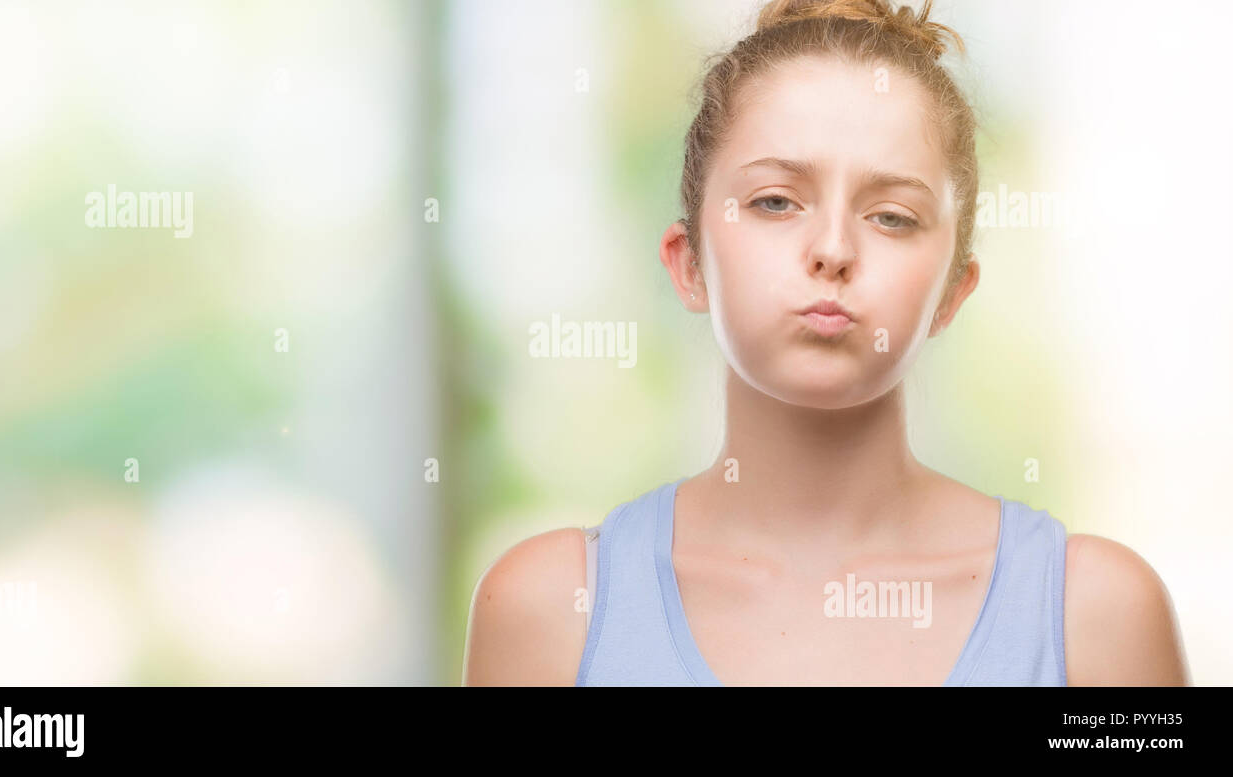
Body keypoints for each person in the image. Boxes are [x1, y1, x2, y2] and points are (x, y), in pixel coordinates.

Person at [462, 0, 1190, 686]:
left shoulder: (1095, 615)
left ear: (951, 293)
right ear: (688, 266)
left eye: (893, 216)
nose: (834, 248)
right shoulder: (551, 611)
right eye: (775, 201)